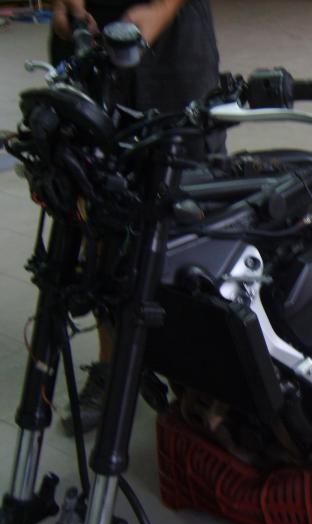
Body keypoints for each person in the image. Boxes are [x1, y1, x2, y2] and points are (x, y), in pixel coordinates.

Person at [50, 0, 224, 435]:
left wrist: (162, 8)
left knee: (189, 203)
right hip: (92, 31)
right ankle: (111, 368)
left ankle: (200, 373)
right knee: (96, 201)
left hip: (172, 41)